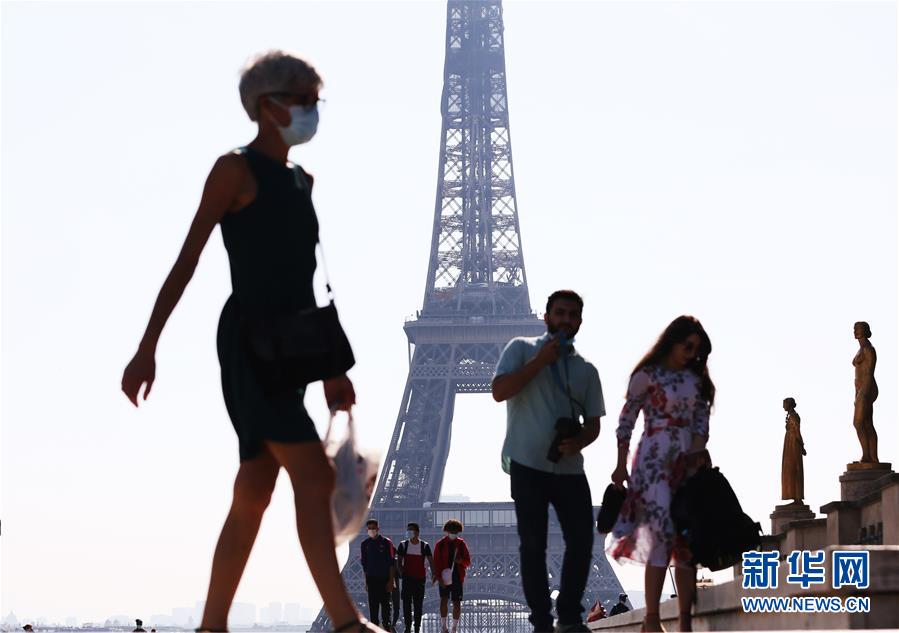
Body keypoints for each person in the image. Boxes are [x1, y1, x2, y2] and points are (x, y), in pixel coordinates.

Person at [120, 50, 381, 633]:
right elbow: (187, 260)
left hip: (293, 344)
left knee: (254, 492)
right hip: (251, 343)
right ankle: (345, 623)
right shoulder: (234, 170)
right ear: (267, 105)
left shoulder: (302, 180)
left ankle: (211, 626)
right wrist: (147, 346)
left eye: (316, 100)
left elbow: (307, 281)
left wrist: (332, 369)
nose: (312, 110)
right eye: (303, 99)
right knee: (312, 475)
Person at [492, 290, 605, 633]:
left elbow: (594, 424)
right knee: (533, 546)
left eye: (572, 315)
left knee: (582, 541)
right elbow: (499, 391)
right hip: (527, 466)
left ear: (580, 321)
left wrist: (579, 441)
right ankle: (542, 622)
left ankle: (568, 616)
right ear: (546, 317)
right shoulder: (520, 349)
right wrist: (540, 361)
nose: (566, 319)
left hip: (569, 469)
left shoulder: (586, 370)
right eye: (560, 313)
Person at [608, 316, 715, 633]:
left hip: (688, 465)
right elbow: (625, 423)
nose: (692, 354)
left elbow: (701, 426)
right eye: (688, 346)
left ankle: (684, 621)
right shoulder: (646, 376)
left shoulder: (696, 381)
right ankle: (653, 618)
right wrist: (620, 465)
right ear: (672, 341)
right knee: (662, 536)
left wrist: (695, 458)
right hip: (654, 465)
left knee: (686, 543)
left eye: (697, 350)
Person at [432, 520, 471, 633]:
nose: (453, 533)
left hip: (457, 576)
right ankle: (444, 627)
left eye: (455, 531)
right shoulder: (440, 544)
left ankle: (454, 628)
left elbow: (468, 562)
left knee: (456, 603)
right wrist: (439, 578)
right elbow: (436, 562)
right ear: (447, 531)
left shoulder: (461, 544)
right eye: (452, 531)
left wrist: (461, 561)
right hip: (444, 576)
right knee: (444, 600)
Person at [397, 522, 434, 633]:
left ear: (417, 532)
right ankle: (408, 627)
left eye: (411, 530)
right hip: (408, 579)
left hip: (419, 580)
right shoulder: (403, 545)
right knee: (407, 605)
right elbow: (399, 562)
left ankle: (416, 627)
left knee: (418, 605)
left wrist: (434, 574)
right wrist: (402, 573)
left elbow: (431, 561)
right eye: (408, 530)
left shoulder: (424, 546)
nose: (409, 532)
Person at [361, 519, 396, 630]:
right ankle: (375, 628)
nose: (371, 530)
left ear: (378, 529)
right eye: (369, 528)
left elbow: (391, 563)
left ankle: (386, 627)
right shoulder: (364, 544)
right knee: (373, 607)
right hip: (372, 579)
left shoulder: (387, 542)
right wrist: (366, 582)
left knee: (386, 606)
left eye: (373, 528)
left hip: (384, 579)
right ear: (367, 530)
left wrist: (391, 581)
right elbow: (365, 566)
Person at [852, 321, 879, 463]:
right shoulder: (861, 349)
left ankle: (869, 456)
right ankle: (870, 456)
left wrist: (863, 394)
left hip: (867, 388)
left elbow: (869, 374)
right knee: (866, 423)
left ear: (866, 331)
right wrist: (856, 393)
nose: (856, 331)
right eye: (855, 328)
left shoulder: (868, 349)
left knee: (858, 422)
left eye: (859, 328)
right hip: (860, 389)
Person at [781, 397, 806, 502]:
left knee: (794, 468)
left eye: (785, 404)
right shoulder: (791, 416)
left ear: (789, 405)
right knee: (790, 469)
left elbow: (797, 431)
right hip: (790, 443)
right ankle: (794, 496)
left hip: (793, 444)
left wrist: (802, 445)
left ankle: (798, 497)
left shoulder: (794, 416)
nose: (783, 406)